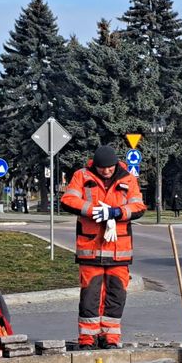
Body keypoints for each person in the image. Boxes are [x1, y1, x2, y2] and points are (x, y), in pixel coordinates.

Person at [60, 145, 146, 349]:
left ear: (115, 164)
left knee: (116, 296)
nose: (106, 171)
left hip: (119, 251)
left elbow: (138, 207)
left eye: (109, 168)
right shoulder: (82, 176)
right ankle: (87, 339)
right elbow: (68, 200)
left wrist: (117, 212)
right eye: (102, 168)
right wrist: (94, 210)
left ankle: (110, 338)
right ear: (95, 165)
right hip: (91, 249)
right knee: (90, 296)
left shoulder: (128, 178)